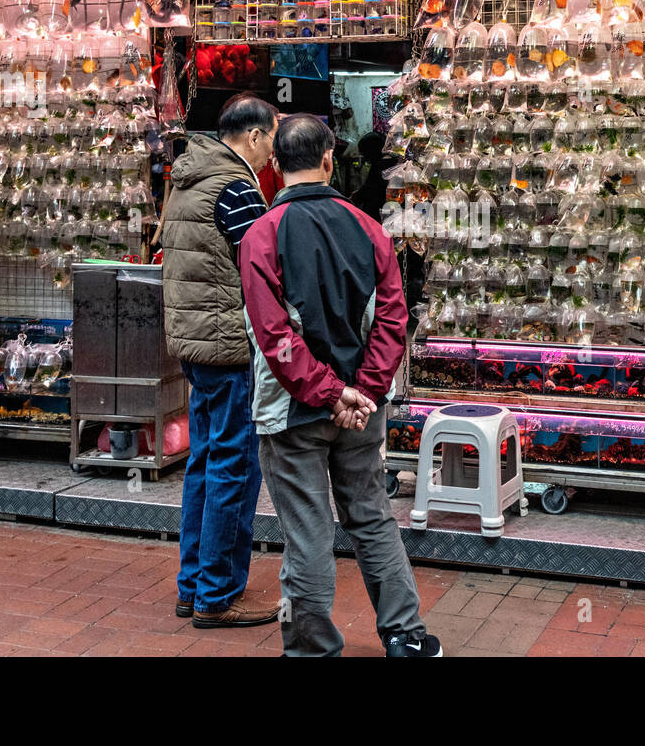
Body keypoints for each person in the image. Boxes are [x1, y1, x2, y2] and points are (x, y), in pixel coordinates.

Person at [240, 114, 440, 657]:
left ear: (275, 166)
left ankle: (311, 648)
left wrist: (329, 393)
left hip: (292, 409)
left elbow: (273, 333)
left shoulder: (262, 235)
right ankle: (405, 635)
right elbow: (393, 320)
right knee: (370, 517)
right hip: (361, 409)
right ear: (330, 158)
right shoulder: (370, 228)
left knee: (308, 532)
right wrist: (364, 391)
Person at [160, 93, 280, 628]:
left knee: (204, 463)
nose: (274, 152)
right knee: (233, 466)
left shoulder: (188, 180)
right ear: (254, 135)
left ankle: (193, 586)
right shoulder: (235, 188)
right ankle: (216, 594)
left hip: (195, 344)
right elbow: (264, 264)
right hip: (228, 345)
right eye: (273, 138)